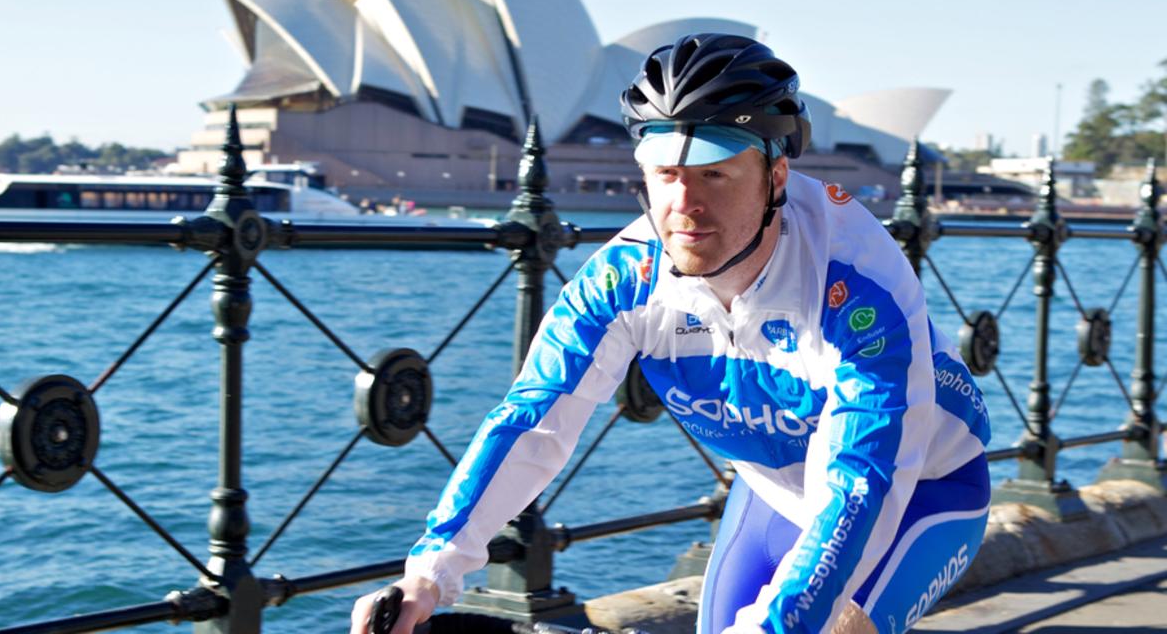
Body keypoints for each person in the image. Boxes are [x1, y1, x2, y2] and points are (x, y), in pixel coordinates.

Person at [350, 34, 992, 634]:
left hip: (919, 493)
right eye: (664, 173)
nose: (682, 205)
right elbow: (533, 422)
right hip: (772, 488)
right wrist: (428, 577)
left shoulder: (857, 286)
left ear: (774, 177)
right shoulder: (626, 278)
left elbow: (860, 480)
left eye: (714, 174)